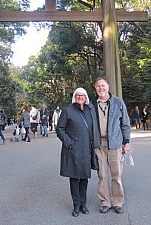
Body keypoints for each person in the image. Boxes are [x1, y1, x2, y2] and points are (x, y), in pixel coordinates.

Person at [91, 77, 131, 214]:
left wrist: (126, 142)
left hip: (115, 143)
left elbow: (125, 123)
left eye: (103, 86)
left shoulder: (118, 102)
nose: (100, 88)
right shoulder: (91, 105)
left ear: (108, 88)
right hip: (99, 144)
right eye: (98, 86)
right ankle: (105, 201)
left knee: (116, 174)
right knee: (102, 174)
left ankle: (117, 201)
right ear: (95, 89)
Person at [57, 87, 97, 217]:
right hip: (73, 149)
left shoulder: (90, 110)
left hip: (86, 149)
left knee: (84, 178)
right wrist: (69, 142)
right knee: (74, 178)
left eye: (83, 95)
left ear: (86, 97)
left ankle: (83, 204)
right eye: (78, 95)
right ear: (75, 97)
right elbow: (60, 129)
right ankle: (76, 205)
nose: (80, 97)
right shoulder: (67, 111)